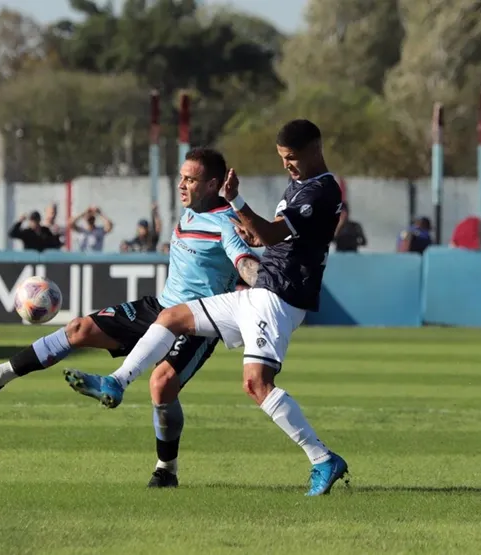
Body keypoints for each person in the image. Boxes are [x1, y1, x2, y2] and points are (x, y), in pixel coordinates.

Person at [65, 120, 348, 497]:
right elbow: (277, 237)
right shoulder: (299, 184)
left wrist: (237, 203)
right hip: (262, 289)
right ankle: (115, 382)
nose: (287, 166)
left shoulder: (323, 189)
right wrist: (250, 230)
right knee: (172, 316)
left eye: (292, 158)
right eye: (283, 159)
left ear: (315, 149)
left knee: (256, 384)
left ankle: (322, 459)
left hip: (279, 297)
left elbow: (273, 233)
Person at [0, 148, 260, 488]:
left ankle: (166, 469)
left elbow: (245, 264)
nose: (182, 185)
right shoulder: (188, 213)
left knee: (161, 385)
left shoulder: (225, 223)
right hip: (158, 308)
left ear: (214, 184)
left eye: (191, 179)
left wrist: (269, 285)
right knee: (78, 328)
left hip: (195, 325)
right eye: (181, 177)